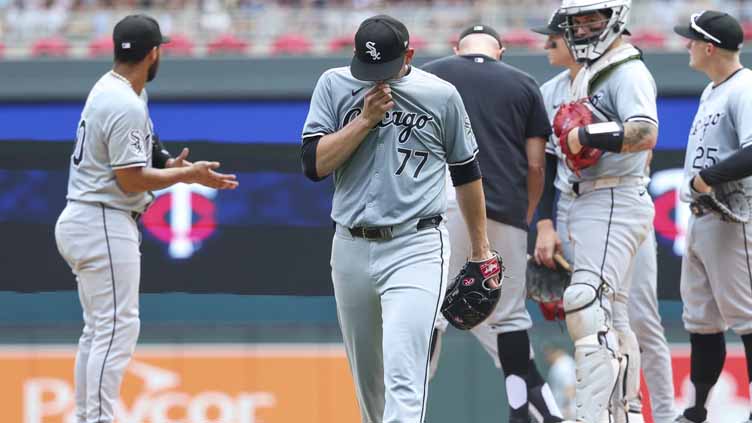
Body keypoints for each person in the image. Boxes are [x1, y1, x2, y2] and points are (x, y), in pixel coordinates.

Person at [300, 14, 497, 423]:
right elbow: (313, 165)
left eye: (383, 69)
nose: (373, 78)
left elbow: (466, 173)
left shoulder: (440, 95)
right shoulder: (334, 84)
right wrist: (365, 120)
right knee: (369, 383)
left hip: (416, 244)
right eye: (366, 68)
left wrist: (481, 250)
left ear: (409, 55)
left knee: (405, 374)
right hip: (350, 245)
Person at [54, 14, 238, 423]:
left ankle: (89, 416)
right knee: (118, 328)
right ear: (154, 53)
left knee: (99, 329)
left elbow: (146, 153)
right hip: (103, 217)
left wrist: (172, 164)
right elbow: (131, 178)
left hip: (87, 217)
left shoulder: (115, 90)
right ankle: (96, 418)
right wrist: (186, 175)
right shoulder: (123, 101)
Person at [532, 11, 676, 423]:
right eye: (576, 22)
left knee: (586, 301)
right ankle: (624, 410)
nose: (580, 30)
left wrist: (587, 135)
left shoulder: (626, 69)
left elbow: (646, 132)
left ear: (616, 17)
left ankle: (593, 415)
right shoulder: (583, 74)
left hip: (614, 193)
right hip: (585, 198)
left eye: (591, 19)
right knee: (610, 314)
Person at [421, 24, 563, 423]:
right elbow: (537, 164)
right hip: (504, 209)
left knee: (430, 313)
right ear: (501, 50)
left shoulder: (431, 74)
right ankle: (520, 410)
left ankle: (409, 405)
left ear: (456, 46)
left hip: (442, 206)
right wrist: (528, 212)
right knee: (511, 317)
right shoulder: (524, 83)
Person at [673, 10, 752, 423]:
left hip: (733, 217)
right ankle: (697, 411)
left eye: (691, 39)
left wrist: (707, 178)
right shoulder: (711, 91)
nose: (685, 44)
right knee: (701, 319)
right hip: (702, 219)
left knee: (748, 317)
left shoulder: (745, 87)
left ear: (708, 47)